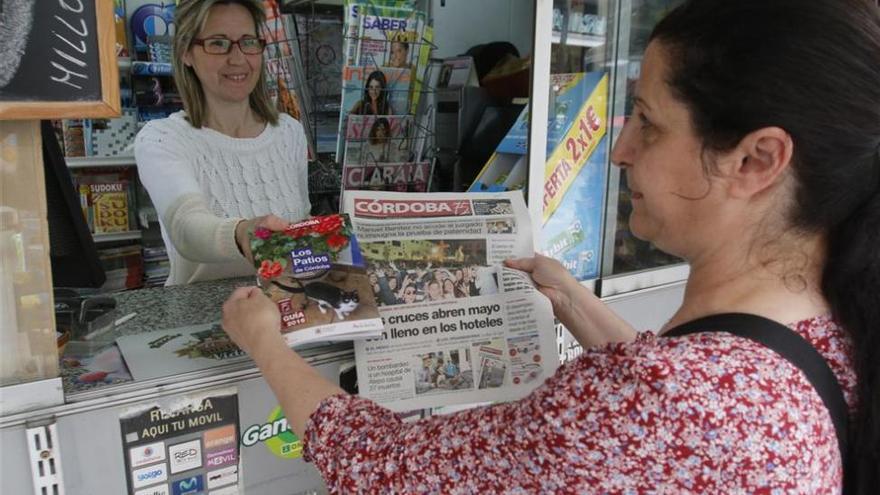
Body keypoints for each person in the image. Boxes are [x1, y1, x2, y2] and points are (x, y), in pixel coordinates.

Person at [221, 0, 880, 491]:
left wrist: (266, 342)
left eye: (647, 124)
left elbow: (380, 463)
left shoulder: (660, 404)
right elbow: (677, 405)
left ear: (756, 159)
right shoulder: (834, 324)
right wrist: (574, 300)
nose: (619, 151)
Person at [135, 0, 310, 285]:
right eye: (218, 43)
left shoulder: (288, 132)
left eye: (248, 42)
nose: (238, 59)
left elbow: (301, 224)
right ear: (186, 52)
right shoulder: (162, 138)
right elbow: (185, 226)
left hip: (283, 315)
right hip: (201, 320)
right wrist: (242, 234)